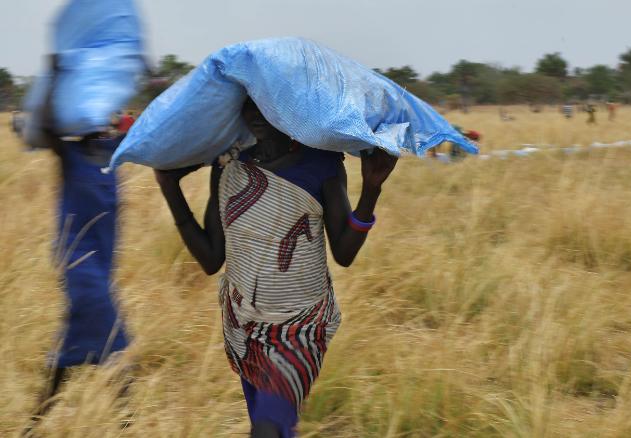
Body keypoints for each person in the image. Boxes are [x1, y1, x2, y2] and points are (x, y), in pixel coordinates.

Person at [154, 98, 398, 437]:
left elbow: (343, 252)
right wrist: (170, 188)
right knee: (269, 427)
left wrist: (371, 191)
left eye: (266, 102)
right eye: (247, 105)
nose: (256, 113)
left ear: (288, 104)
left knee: (268, 429)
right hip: (244, 327)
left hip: (300, 329)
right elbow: (211, 258)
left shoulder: (321, 165)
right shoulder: (228, 166)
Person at [29, 54, 131, 421]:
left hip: (104, 264)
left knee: (83, 333)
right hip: (78, 262)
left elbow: (159, 134)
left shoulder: (115, 150)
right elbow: (42, 124)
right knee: (110, 333)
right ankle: (127, 416)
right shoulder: (67, 153)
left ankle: (39, 416)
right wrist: (54, 77)